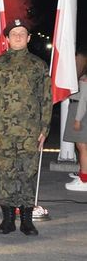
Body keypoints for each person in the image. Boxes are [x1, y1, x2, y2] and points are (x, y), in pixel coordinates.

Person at [0, 19, 52, 236]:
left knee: (27, 174)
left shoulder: (38, 65)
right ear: (7, 39)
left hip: (30, 132)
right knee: (6, 173)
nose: (19, 37)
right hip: (3, 131)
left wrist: (44, 129)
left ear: (29, 38)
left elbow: (46, 99)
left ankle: (27, 221)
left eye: (22, 33)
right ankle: (8, 220)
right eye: (14, 34)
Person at [64, 47, 87, 191]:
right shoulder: (81, 75)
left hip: (80, 111)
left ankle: (84, 180)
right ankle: (83, 174)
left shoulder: (84, 78)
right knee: (82, 147)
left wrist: (78, 119)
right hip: (77, 108)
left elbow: (84, 99)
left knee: (82, 146)